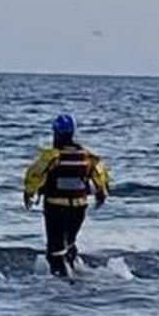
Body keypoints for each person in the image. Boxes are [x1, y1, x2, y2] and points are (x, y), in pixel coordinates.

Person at [23, 114, 110, 277]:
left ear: (56, 133)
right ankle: (75, 273)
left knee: (55, 251)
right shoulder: (87, 156)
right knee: (69, 243)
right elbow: (101, 177)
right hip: (78, 209)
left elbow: (34, 174)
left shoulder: (52, 156)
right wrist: (101, 194)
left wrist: (28, 193)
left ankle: (62, 286)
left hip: (56, 207)